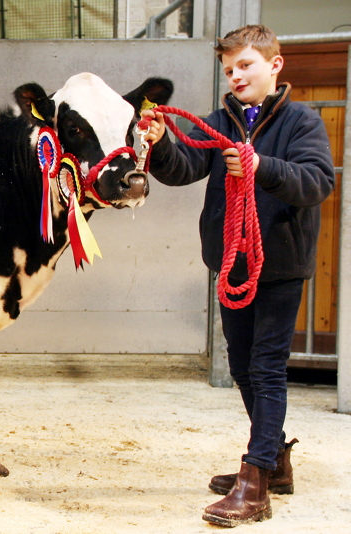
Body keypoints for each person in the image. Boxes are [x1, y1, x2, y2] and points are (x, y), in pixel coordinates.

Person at [140, 25, 335, 528]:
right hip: (232, 262)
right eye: (229, 69)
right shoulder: (219, 120)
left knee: (266, 368)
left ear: (275, 64)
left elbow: (317, 182)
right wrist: (161, 145)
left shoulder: (302, 122)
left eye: (246, 65)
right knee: (245, 368)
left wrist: (260, 165)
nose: (236, 75)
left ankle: (255, 483)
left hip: (280, 265)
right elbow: (185, 168)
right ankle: (275, 463)